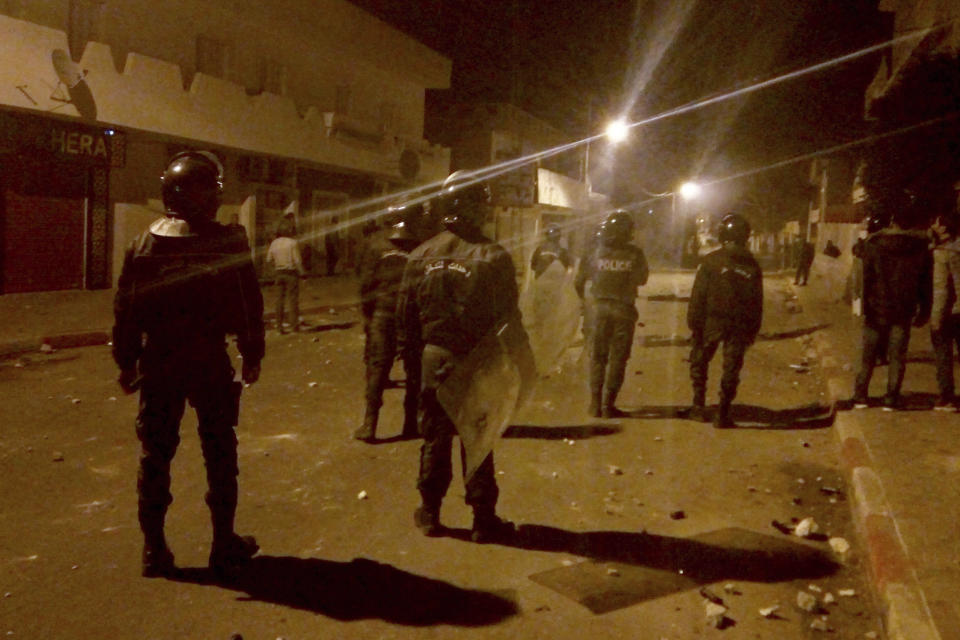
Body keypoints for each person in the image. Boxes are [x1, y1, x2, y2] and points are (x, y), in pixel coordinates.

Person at [113, 151, 265, 578]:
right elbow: (248, 303)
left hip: (159, 363)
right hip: (208, 361)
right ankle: (223, 544)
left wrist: (126, 363)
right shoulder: (227, 241)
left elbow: (125, 311)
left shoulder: (142, 244)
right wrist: (252, 353)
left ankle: (154, 551)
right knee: (219, 451)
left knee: (155, 455)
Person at [399, 170, 528, 543]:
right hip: (477, 361)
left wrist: (413, 367)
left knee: (434, 437)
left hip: (433, 360)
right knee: (478, 439)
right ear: (476, 206)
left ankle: (430, 513)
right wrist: (523, 364)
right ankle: (483, 519)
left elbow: (406, 322)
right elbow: (509, 320)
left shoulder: (420, 255)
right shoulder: (493, 256)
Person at [353, 198, 427, 442]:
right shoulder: (422, 246)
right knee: (414, 371)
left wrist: (367, 315)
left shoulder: (375, 245)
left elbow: (366, 285)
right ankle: (411, 423)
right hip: (412, 315)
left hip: (382, 314)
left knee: (377, 369)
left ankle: (369, 424)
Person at [687, 213, 763, 428]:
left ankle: (698, 405)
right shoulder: (752, 265)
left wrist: (694, 324)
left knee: (699, 361)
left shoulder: (710, 261)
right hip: (739, 324)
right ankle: (723, 412)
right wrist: (753, 329)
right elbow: (757, 301)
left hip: (711, 322)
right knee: (731, 368)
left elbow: (698, 296)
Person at [852, 207, 932, 411]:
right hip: (904, 309)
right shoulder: (921, 248)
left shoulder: (874, 245)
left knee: (868, 356)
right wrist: (924, 310)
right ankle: (891, 398)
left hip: (875, 307)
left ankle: (861, 396)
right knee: (897, 357)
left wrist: (861, 303)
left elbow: (865, 278)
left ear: (893, 222)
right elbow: (925, 284)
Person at [574, 210, 649, 418]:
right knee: (618, 358)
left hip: (598, 310)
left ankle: (594, 404)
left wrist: (582, 303)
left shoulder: (593, 252)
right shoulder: (635, 254)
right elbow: (641, 279)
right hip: (623, 310)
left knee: (597, 357)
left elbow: (579, 281)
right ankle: (608, 405)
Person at [928, 213, 960, 410]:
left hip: (951, 313)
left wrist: (935, 319)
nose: (933, 226)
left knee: (943, 355)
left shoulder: (942, 253)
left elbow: (941, 290)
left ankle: (947, 398)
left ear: (945, 230)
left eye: (937, 224)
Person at [266, 217, 303, 333]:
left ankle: (279, 326)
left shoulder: (274, 243)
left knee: (279, 300)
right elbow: (297, 261)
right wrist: (303, 273)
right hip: (291, 273)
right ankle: (294, 326)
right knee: (293, 300)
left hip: (279, 273)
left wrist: (275, 268)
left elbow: (269, 259)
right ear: (288, 231)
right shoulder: (293, 243)